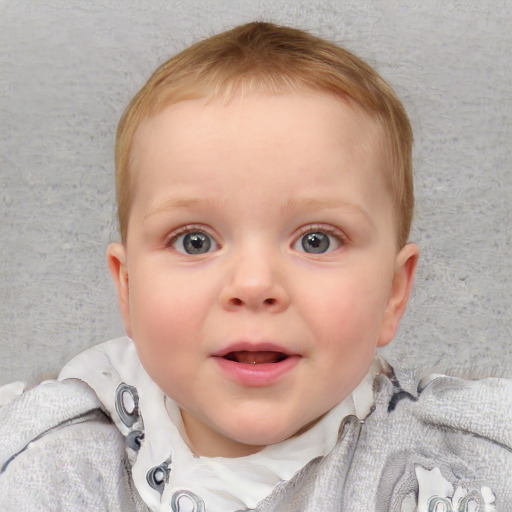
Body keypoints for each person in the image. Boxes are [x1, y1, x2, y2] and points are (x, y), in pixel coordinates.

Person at [0, 21, 510, 512]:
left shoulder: (453, 468)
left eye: (315, 240)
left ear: (393, 293)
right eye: (195, 241)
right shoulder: (51, 469)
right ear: (128, 288)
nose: (254, 285)